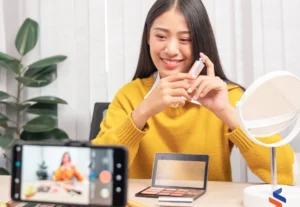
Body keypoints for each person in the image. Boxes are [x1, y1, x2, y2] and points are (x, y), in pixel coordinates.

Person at [92, 0, 295, 185]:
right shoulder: (130, 95)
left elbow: (284, 172)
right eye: (161, 36)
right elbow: (97, 171)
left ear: (199, 41)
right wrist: (142, 112)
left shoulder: (227, 96)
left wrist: (226, 112)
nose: (171, 49)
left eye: (185, 39)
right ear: (148, 37)